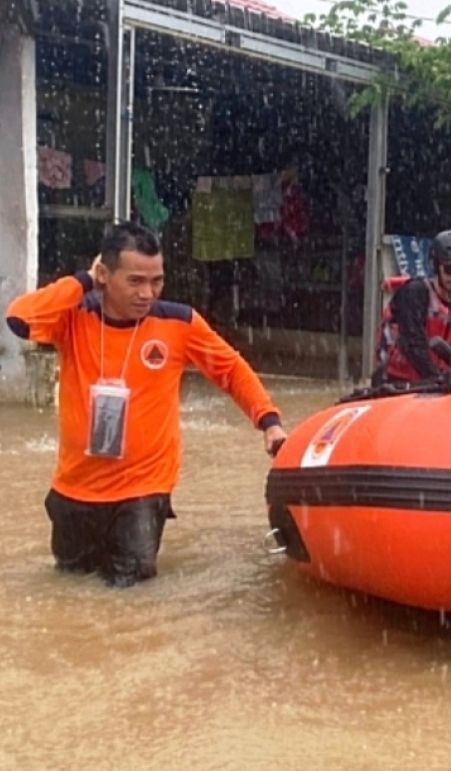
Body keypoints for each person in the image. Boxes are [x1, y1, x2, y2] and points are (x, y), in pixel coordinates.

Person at [5, 222, 287, 587]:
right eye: (135, 281)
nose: (147, 293)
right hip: (74, 490)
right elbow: (20, 319)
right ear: (104, 274)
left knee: (132, 597)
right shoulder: (75, 317)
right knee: (69, 590)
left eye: (156, 281)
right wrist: (83, 281)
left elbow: (231, 370)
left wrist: (269, 421)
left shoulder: (178, 322)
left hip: (142, 490)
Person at [379, 229, 451, 383]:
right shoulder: (415, 293)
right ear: (437, 267)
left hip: (434, 387)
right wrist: (436, 380)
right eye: (450, 269)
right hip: (396, 383)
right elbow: (412, 344)